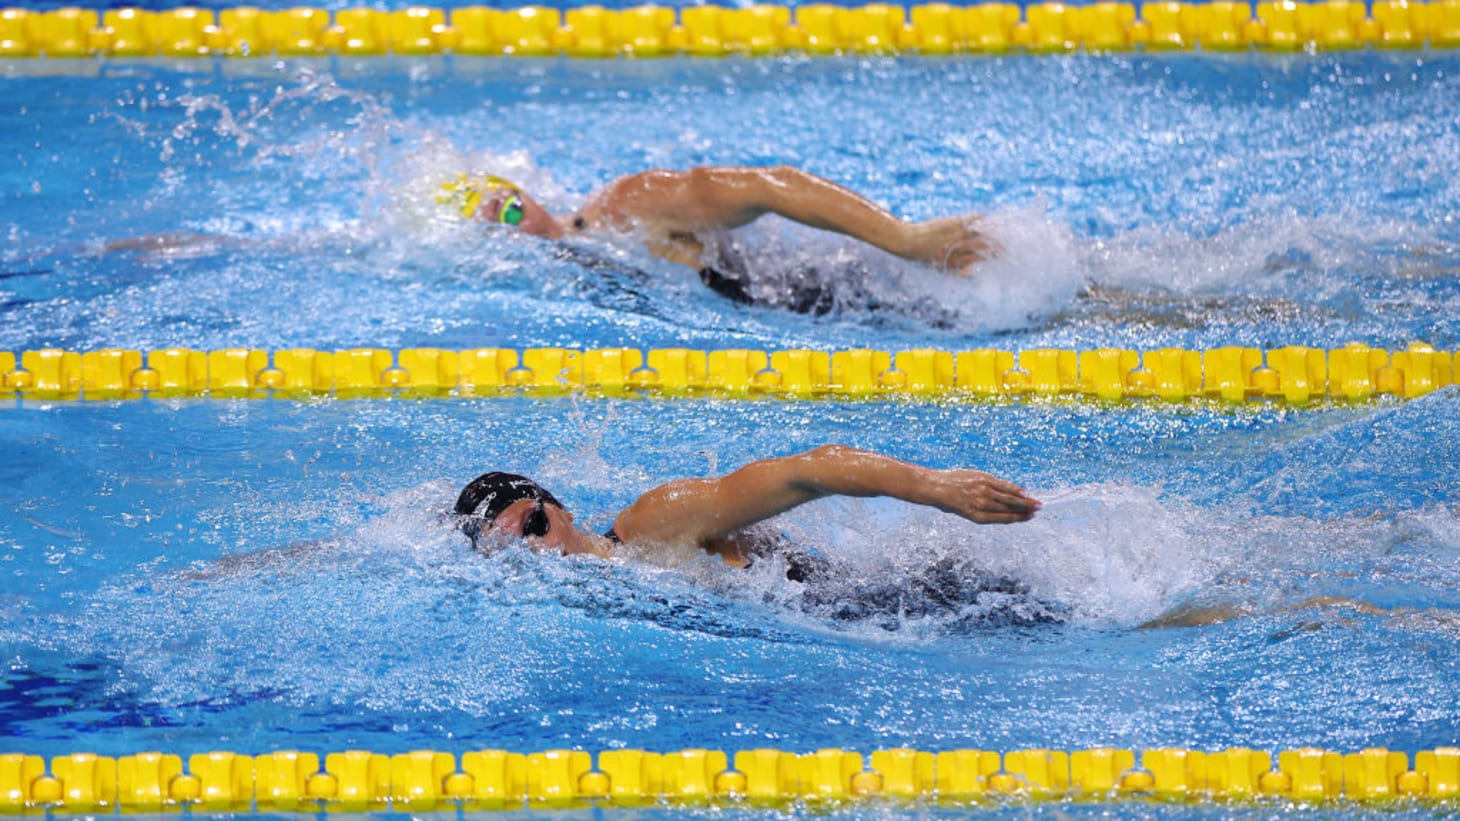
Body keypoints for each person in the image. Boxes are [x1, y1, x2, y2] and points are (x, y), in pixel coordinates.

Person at [438, 165, 996, 314]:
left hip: (859, 286)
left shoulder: (622, 207)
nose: (513, 226)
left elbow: (770, 185)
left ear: (526, 192)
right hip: (820, 311)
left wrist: (906, 239)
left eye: (509, 207)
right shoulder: (568, 276)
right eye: (492, 225)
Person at [453, 445, 1040, 575]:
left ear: (559, 509)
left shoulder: (655, 522)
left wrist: (933, 487)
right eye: (512, 549)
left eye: (534, 524)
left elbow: (808, 470)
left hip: (885, 606)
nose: (539, 550)